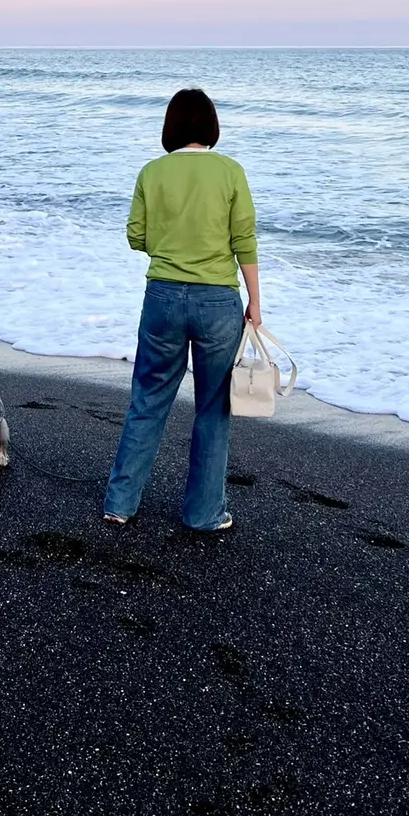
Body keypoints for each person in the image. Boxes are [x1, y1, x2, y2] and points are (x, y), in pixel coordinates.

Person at [103, 87, 259, 532]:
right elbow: (243, 240)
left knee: (148, 399)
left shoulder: (152, 172)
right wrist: (256, 306)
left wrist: (170, 245)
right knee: (212, 408)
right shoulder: (230, 171)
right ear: (211, 126)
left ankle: (120, 503)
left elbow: (136, 235)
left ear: (171, 127)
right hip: (217, 300)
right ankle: (203, 513)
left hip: (163, 298)